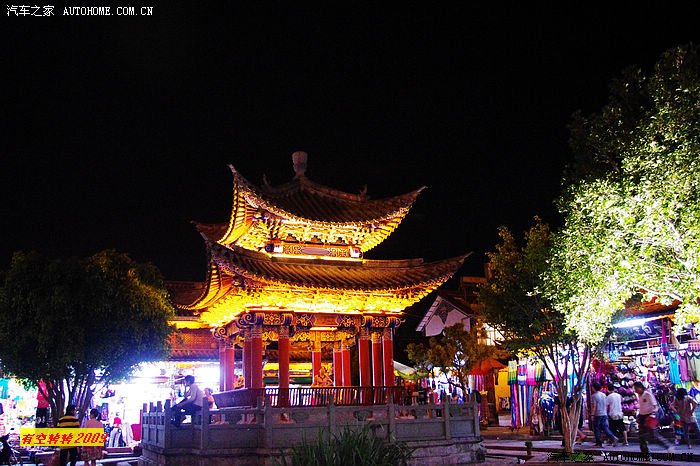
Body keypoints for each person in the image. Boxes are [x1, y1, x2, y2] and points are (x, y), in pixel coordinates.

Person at [633, 381, 673, 455]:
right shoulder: (639, 396)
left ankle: (667, 446)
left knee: (653, 434)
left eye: (636, 388)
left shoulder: (648, 394)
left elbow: (654, 405)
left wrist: (652, 415)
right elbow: (642, 407)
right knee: (641, 436)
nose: (635, 390)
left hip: (650, 415)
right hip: (642, 416)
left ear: (640, 387)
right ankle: (646, 454)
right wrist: (639, 416)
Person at [591, 382, 618, 447]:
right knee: (604, 427)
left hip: (598, 414)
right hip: (604, 413)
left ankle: (599, 442)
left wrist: (592, 415)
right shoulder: (604, 395)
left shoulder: (594, 396)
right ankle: (613, 437)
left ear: (594, 388)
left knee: (597, 428)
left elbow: (594, 406)